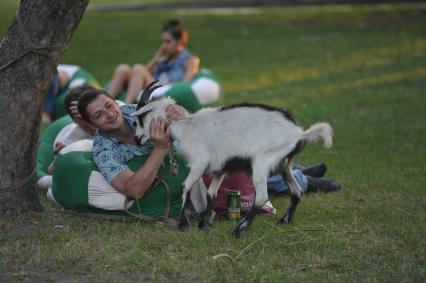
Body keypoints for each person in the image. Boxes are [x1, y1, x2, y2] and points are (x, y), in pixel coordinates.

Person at [108, 19, 200, 104]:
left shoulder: (189, 59)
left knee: (138, 68)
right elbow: (138, 76)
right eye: (162, 42)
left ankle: (126, 108)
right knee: (122, 69)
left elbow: (186, 85)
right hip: (151, 87)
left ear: (179, 41)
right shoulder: (164, 56)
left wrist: (166, 85)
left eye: (168, 42)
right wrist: (156, 60)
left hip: (165, 91)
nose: (164, 46)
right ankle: (104, 101)